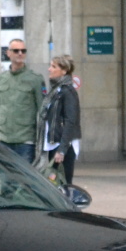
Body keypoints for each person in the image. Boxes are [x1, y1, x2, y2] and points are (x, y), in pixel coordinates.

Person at [0, 39, 44, 161]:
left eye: (23, 51)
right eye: (16, 51)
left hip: (25, 141)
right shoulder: (0, 79)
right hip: (3, 140)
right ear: (8, 53)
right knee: (4, 178)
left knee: (23, 179)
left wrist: (38, 140)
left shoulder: (35, 79)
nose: (20, 53)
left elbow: (42, 111)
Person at [38, 54, 81, 185]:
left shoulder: (68, 91)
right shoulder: (56, 90)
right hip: (54, 144)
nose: (49, 69)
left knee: (63, 184)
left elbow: (70, 121)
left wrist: (62, 150)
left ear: (64, 70)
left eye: (53, 66)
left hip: (63, 147)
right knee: (55, 184)